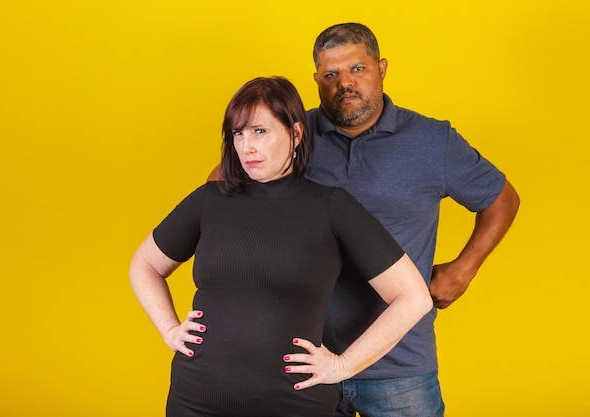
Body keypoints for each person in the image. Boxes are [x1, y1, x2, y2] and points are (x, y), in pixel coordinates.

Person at [208, 23, 520, 417]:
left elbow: (502, 199)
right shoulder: (290, 135)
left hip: (400, 365)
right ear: (317, 80)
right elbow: (221, 184)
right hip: (305, 359)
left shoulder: (432, 141)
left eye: (358, 69)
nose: (345, 84)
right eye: (331, 75)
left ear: (382, 68)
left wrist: (464, 268)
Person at [130, 76, 433, 417]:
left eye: (259, 131)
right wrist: (170, 330)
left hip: (294, 404)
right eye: (238, 133)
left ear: (296, 134)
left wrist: (344, 365)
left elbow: (413, 297)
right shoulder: (208, 200)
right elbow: (145, 265)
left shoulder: (332, 207)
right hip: (196, 400)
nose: (246, 146)